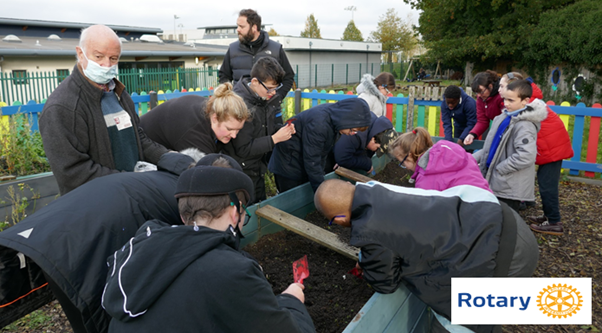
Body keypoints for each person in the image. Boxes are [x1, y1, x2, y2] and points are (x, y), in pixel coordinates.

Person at [102, 154, 316, 333]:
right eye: (244, 215)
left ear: (183, 213)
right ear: (235, 212)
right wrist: (292, 301)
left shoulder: (141, 247)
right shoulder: (231, 271)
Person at [0, 152, 199, 333]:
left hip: (46, 234)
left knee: (75, 297)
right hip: (86, 244)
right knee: (94, 306)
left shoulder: (144, 177)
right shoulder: (181, 194)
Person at [314, 178, 538, 333]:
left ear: (341, 218)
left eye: (334, 221)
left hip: (503, 255)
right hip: (502, 220)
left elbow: (385, 283)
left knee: (454, 325)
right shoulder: (376, 190)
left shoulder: (370, 230)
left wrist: (369, 262)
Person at [39, 25, 170, 195]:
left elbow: (138, 139)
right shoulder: (63, 107)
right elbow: (73, 173)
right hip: (98, 205)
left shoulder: (118, 93)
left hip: (133, 194)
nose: (106, 65)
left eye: (113, 58)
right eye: (99, 56)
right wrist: (133, 180)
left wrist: (168, 157)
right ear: (80, 54)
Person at [499, 73, 573, 235]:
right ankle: (548, 216)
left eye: (503, 86)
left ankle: (554, 222)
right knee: (544, 183)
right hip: (551, 147)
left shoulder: (528, 107)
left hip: (553, 149)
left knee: (547, 186)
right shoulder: (528, 100)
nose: (500, 90)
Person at [223, 57, 296, 203]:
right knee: (246, 214)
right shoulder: (241, 105)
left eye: (276, 88)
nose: (274, 93)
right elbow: (243, 149)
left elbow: (264, 128)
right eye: (270, 88)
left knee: (260, 206)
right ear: (255, 82)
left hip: (257, 167)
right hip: (241, 171)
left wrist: (282, 130)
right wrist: (275, 139)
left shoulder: (263, 97)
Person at [473, 80, 548, 212]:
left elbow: (525, 156)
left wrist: (500, 168)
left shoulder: (525, 125)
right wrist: (472, 159)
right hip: (496, 179)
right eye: (505, 99)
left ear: (525, 101)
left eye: (511, 100)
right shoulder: (503, 117)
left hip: (508, 184)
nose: (506, 104)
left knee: (507, 220)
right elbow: (491, 146)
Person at [268, 98, 372, 193]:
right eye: (353, 130)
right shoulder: (319, 124)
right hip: (288, 163)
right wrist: (322, 194)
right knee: (290, 199)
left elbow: (320, 154)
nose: (352, 134)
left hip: (301, 158)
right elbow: (312, 160)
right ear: (347, 120)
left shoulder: (336, 120)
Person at [139, 83, 249, 154]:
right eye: (229, 129)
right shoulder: (194, 133)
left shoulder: (209, 108)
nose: (234, 135)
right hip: (139, 148)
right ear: (215, 118)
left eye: (238, 130)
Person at [219, 9, 295, 110]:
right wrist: (231, 98)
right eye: (237, 26)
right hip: (241, 110)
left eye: (241, 26)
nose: (238, 29)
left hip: (269, 111)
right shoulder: (232, 49)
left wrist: (277, 98)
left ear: (254, 27)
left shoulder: (276, 49)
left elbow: (288, 77)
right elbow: (224, 76)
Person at [389, 127, 491, 192]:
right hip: (490, 203)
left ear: (410, 156)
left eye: (402, 163)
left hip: (472, 218)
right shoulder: (457, 154)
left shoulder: (425, 182)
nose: (405, 167)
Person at [463, 70, 505, 146]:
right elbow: (482, 121)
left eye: (481, 91)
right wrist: (472, 134)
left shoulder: (501, 96)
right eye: (476, 92)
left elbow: (506, 120)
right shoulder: (481, 100)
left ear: (490, 86)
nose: (479, 95)